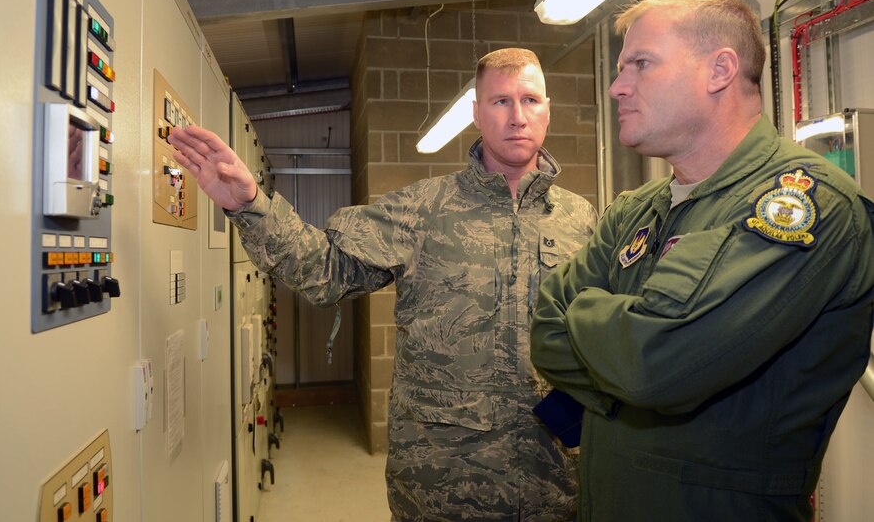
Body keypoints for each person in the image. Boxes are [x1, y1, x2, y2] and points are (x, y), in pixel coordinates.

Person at [169, 47, 597, 521]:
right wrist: (251, 204)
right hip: (440, 487)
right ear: (476, 113)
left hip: (554, 486)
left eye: (530, 100)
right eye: (500, 102)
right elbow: (324, 269)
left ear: (548, 108)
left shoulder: (581, 218)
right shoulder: (422, 208)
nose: (517, 116)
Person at [531, 0, 874, 522]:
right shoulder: (637, 210)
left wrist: (597, 325)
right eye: (622, 68)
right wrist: (623, 351)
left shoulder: (807, 206)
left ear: (720, 70)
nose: (617, 86)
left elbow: (656, 366)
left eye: (641, 64)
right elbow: (544, 333)